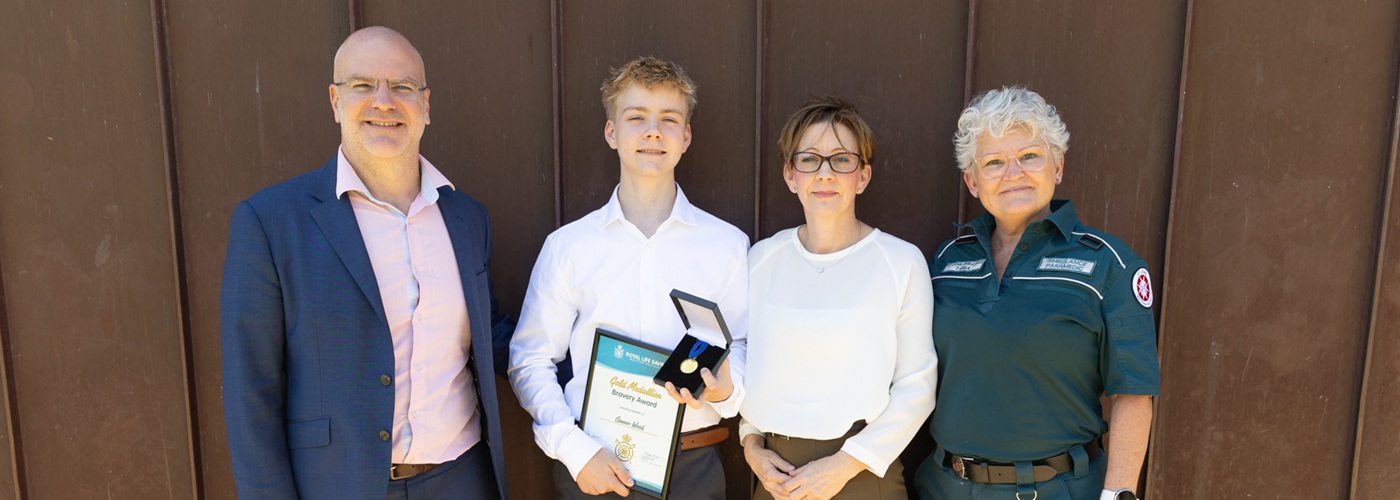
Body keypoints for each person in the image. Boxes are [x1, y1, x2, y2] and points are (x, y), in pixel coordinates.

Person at [221, 27, 510, 499]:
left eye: (402, 86)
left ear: (426, 104)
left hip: (463, 480)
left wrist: (594, 381)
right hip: (340, 486)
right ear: (335, 101)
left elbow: (490, 333)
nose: (383, 101)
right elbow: (250, 391)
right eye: (362, 86)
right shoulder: (270, 222)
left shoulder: (466, 217)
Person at [508, 56, 749, 499]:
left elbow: (748, 347)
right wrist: (573, 449)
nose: (653, 131)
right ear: (611, 132)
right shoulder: (569, 246)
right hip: (593, 467)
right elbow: (529, 360)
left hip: (693, 468)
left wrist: (726, 391)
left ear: (686, 136)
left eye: (669, 119)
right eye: (636, 117)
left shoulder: (727, 245)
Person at [916, 86, 1160, 500]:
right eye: (994, 162)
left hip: (1057, 489)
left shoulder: (1108, 265)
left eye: (1029, 156)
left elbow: (1132, 392)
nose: (1013, 173)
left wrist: (1118, 493)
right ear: (973, 182)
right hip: (946, 487)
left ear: (1058, 166)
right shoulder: (943, 263)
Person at [739, 96, 937, 499]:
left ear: (862, 177)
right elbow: (747, 357)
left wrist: (844, 464)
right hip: (776, 475)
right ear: (790, 176)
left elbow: (917, 384)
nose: (824, 173)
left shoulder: (899, 262)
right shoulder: (761, 260)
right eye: (809, 159)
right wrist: (750, 444)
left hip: (862, 473)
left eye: (841, 159)